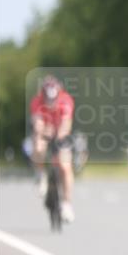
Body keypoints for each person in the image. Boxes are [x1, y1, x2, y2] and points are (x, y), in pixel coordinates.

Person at [29, 75, 76, 222]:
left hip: (60, 133)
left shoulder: (66, 100)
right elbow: (37, 122)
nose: (51, 103)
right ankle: (40, 174)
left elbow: (66, 122)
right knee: (38, 146)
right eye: (47, 99)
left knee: (65, 166)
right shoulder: (36, 102)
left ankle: (67, 204)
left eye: (53, 99)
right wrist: (42, 132)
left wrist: (60, 136)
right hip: (44, 131)